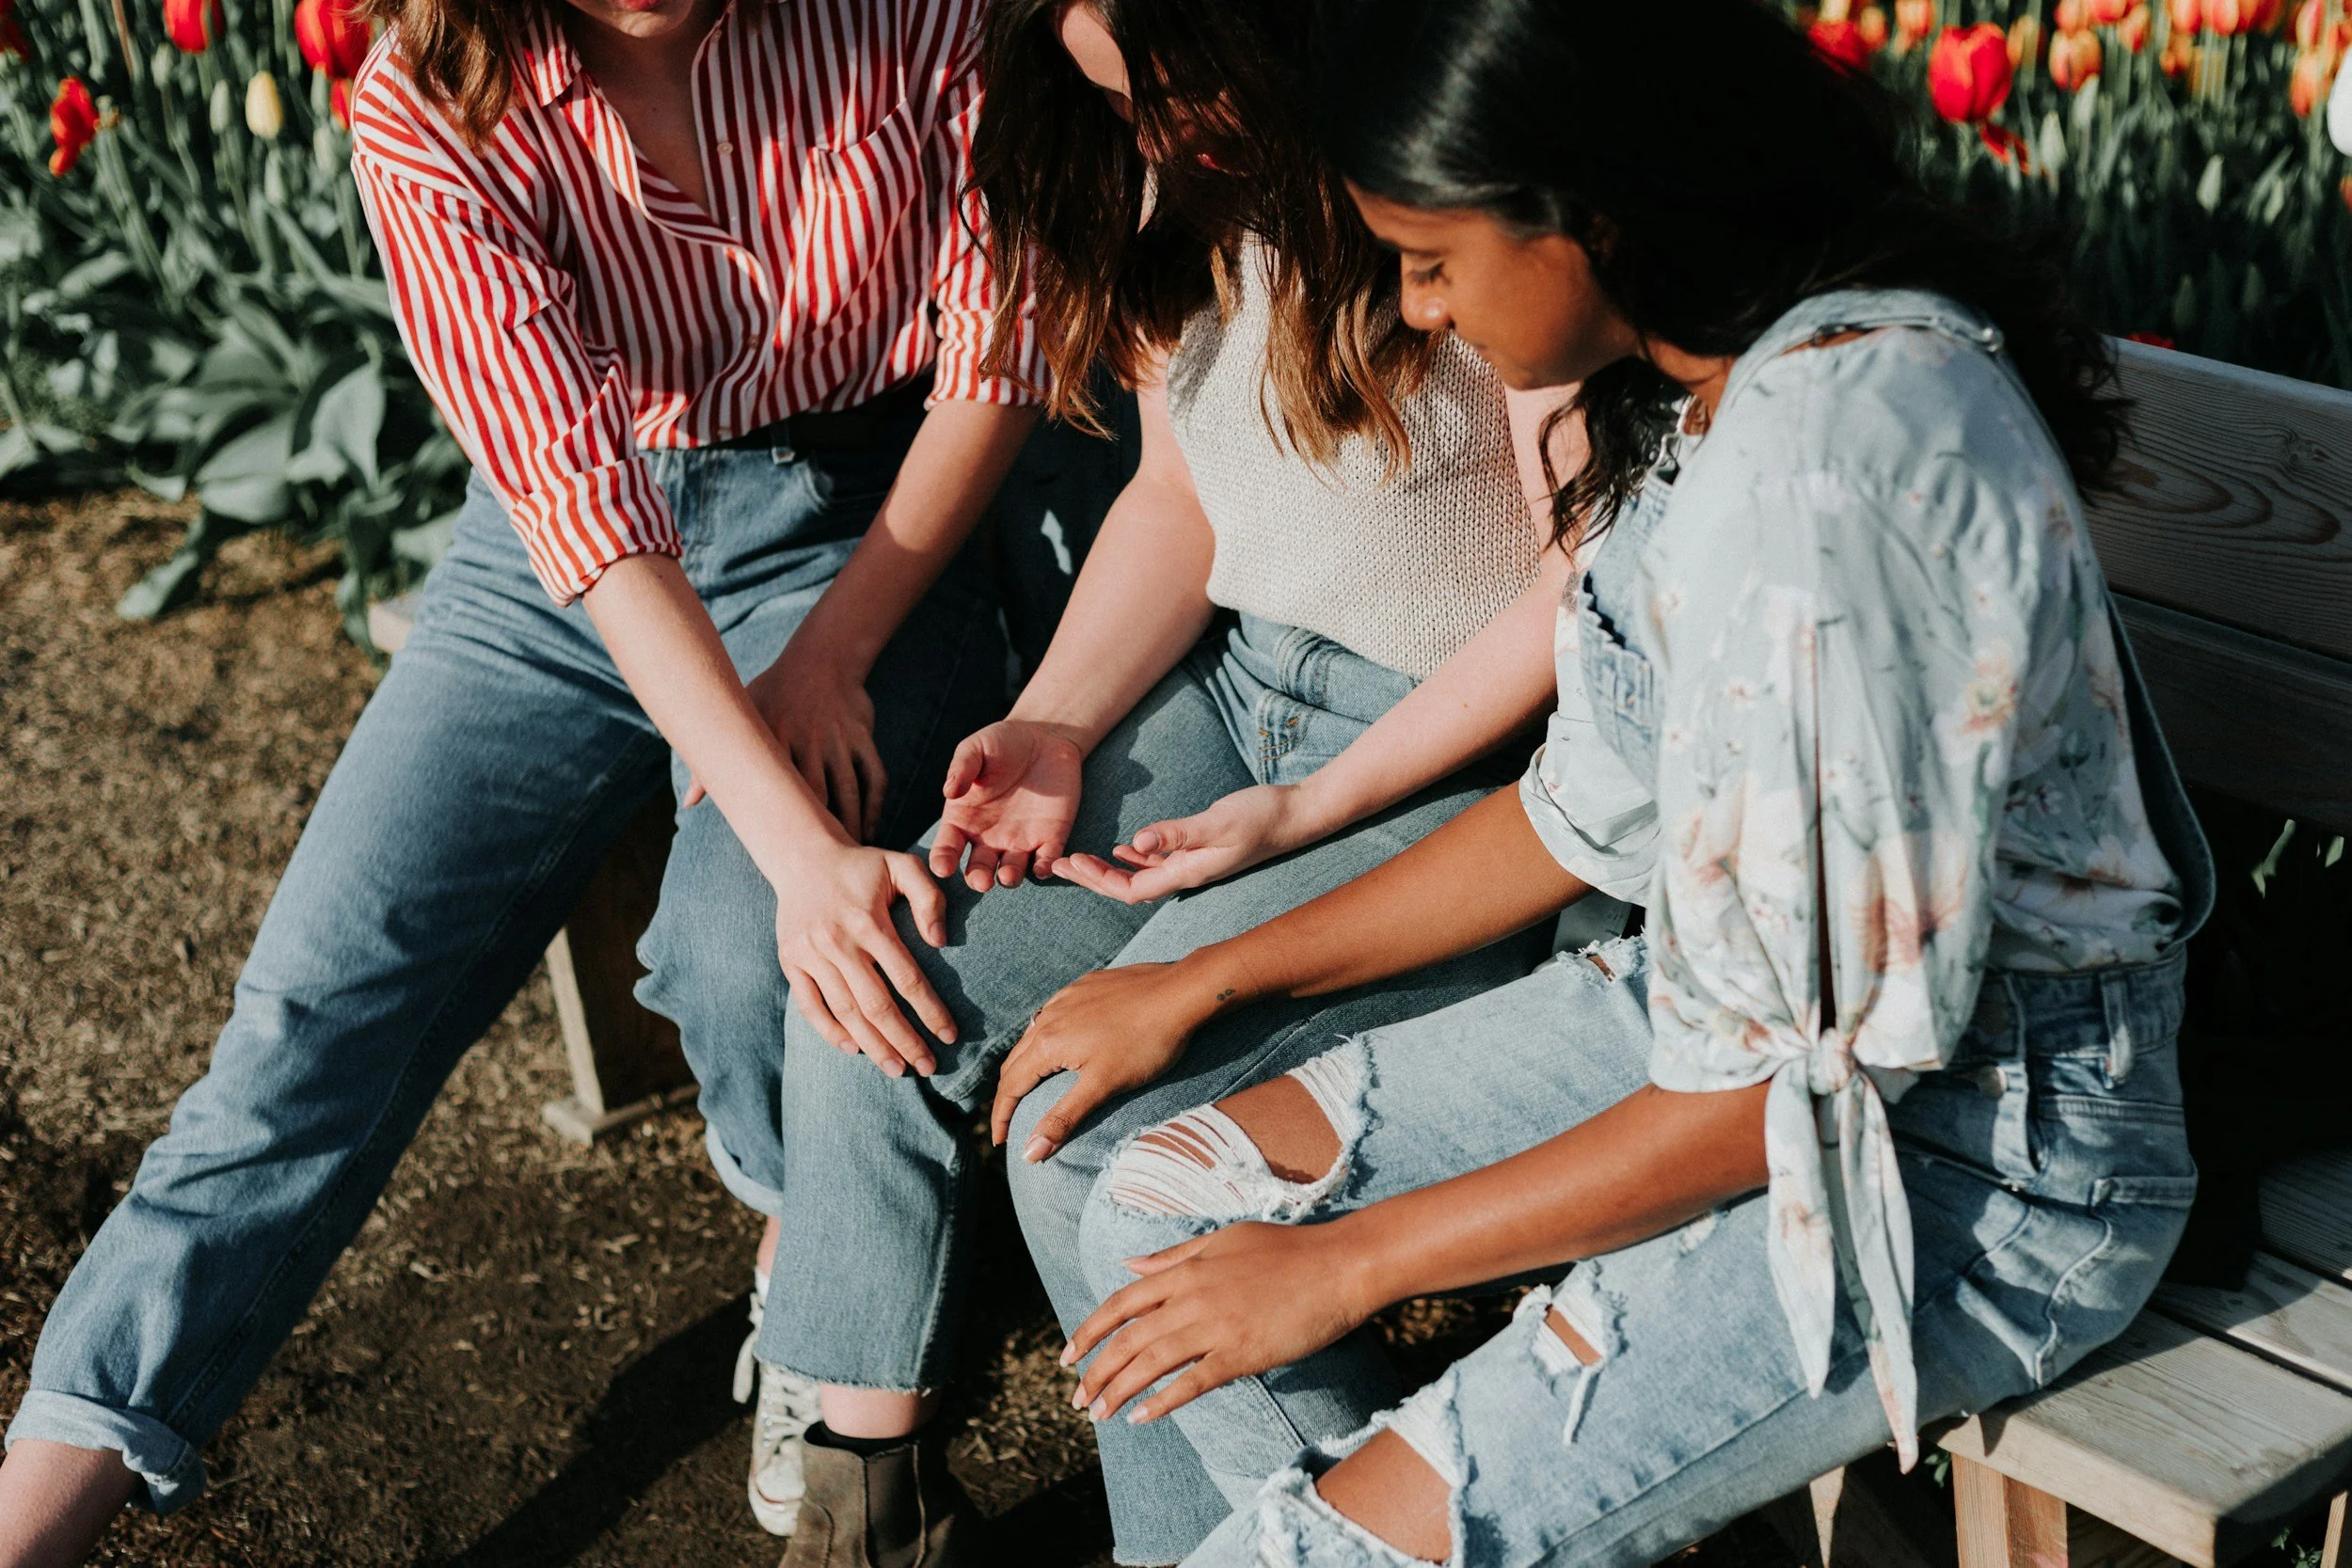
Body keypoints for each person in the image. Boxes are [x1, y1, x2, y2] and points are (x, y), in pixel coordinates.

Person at [1035, 2, 2218, 1562]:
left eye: (1434, 258)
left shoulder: (1828, 488)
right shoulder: (1697, 382)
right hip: (1713, 1022)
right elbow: (1570, 814)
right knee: (1155, 1198)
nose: (1414, 305)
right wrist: (1203, 980)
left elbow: (1773, 1104)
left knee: (1294, 1538)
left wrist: (1344, 1267)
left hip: (1966, 1167)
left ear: (1591, 211)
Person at [0, 0, 1045, 1560]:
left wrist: (828, 661)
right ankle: (47, 1494)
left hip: (865, 529)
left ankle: (807, 1255)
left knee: (749, 951)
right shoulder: (425, 101)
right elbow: (581, 510)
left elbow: (1002, 339)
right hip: (572, 552)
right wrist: (773, 807)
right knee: (317, 1007)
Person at [703, 1, 1590, 1560]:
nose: (1161, 137)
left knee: (1084, 1114)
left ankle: (1259, 1534)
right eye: (1121, 103)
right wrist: (1054, 722)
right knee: (878, 968)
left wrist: (1311, 809)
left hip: (1452, 761)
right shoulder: (1166, 181)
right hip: (1238, 693)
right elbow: (1182, 498)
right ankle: (869, 1504)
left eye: (1177, 93)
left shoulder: (1437, 185)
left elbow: (1570, 603)